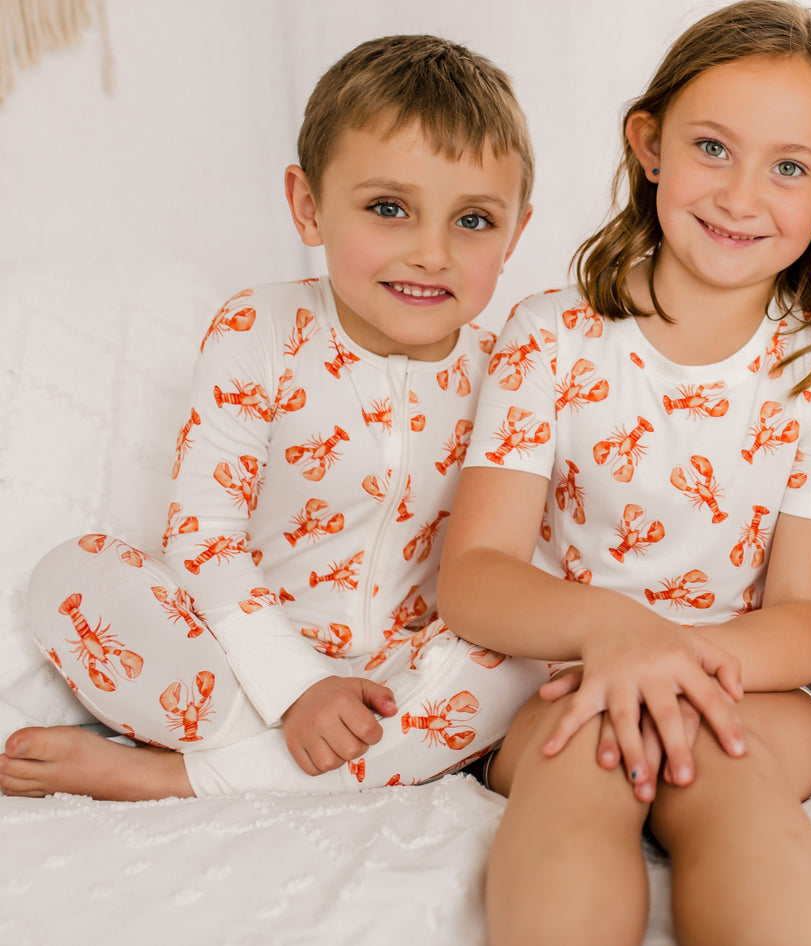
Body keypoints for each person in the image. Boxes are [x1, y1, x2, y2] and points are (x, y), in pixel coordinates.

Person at [0, 34, 545, 800]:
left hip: (402, 678)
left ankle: (183, 780)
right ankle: (305, 757)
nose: (431, 252)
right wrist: (293, 688)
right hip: (237, 656)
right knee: (69, 577)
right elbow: (204, 534)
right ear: (307, 205)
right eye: (389, 208)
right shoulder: (258, 330)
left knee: (526, 658)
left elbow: (518, 555)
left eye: (474, 221)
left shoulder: (512, 371)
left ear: (516, 232)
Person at [434, 3, 811, 943]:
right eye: (712, 147)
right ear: (650, 144)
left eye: (790, 167)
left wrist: (682, 663)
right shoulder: (550, 337)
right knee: (574, 772)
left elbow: (803, 621)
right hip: (571, 673)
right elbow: (472, 575)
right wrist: (617, 637)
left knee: (734, 781)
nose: (742, 195)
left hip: (745, 684)